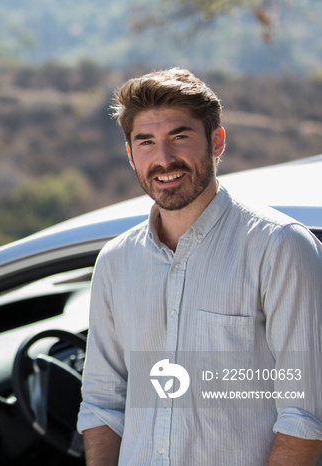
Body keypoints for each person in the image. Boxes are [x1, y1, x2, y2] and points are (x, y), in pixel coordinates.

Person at [77, 68, 322, 465]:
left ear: (217, 141)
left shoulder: (280, 248)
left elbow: (306, 417)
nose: (164, 159)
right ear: (129, 154)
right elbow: (103, 405)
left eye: (180, 137)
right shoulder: (115, 262)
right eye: (146, 142)